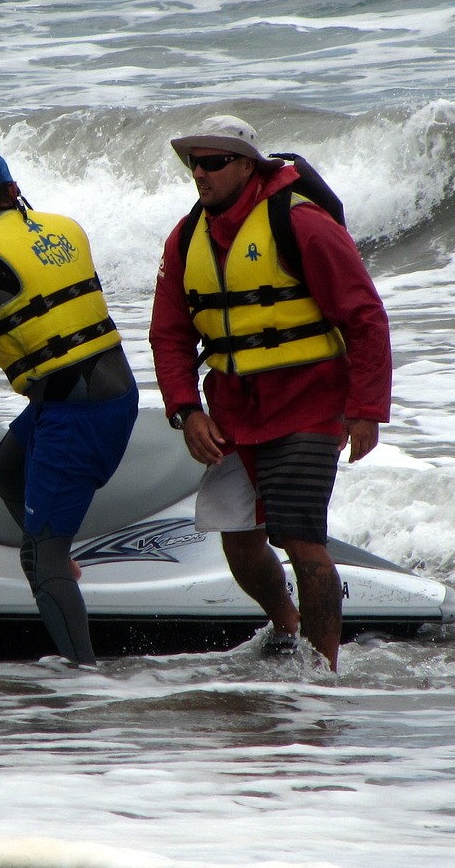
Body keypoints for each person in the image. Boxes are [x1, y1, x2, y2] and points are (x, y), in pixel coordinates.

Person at [149, 116, 392, 671]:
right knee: (238, 541)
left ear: (247, 166)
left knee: (303, 542)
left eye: (212, 163)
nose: (199, 174)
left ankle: (322, 672)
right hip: (235, 411)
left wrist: (366, 411)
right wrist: (186, 410)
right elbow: (169, 333)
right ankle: (287, 625)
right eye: (194, 163)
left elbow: (365, 318)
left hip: (308, 404)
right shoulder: (186, 238)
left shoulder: (302, 223)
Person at [0, 150, 138, 665]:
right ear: (13, 190)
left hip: (74, 414)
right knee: (4, 470)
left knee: (43, 556)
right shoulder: (67, 227)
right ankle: (51, 547)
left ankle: (82, 677)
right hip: (116, 391)